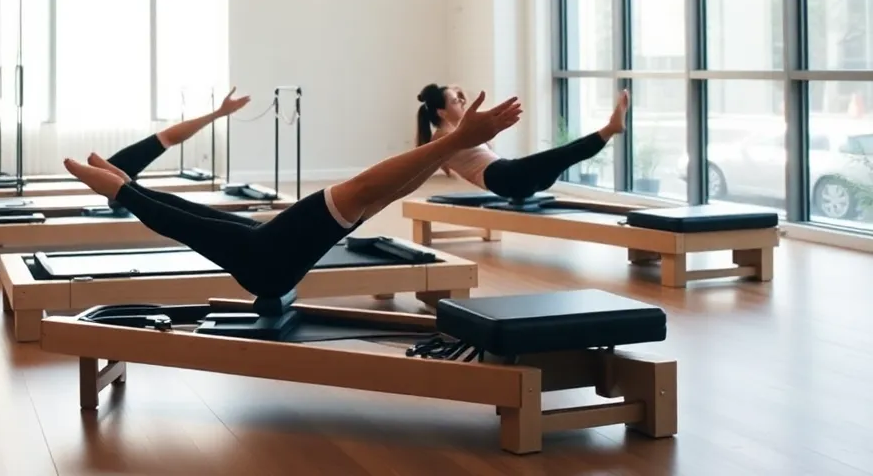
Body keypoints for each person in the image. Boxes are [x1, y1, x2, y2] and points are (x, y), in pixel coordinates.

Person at [63, 90, 524, 300]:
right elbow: (177, 220)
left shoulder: (250, 249)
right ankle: (126, 188)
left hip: (264, 259)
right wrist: (126, 191)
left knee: (371, 198)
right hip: (265, 261)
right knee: (365, 195)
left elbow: (181, 217)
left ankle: (126, 188)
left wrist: (128, 190)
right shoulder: (252, 252)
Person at [416, 83, 628, 200]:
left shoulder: (459, 131)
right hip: (502, 177)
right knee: (565, 154)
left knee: (564, 154)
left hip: (507, 176)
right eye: (455, 101)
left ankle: (610, 128)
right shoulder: (443, 137)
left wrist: (456, 93)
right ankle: (610, 128)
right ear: (441, 112)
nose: (462, 102)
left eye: (460, 98)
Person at [102, 87, 252, 183]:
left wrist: (219, 113)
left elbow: (167, 138)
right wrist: (219, 113)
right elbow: (168, 137)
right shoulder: (109, 172)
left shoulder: (111, 170)